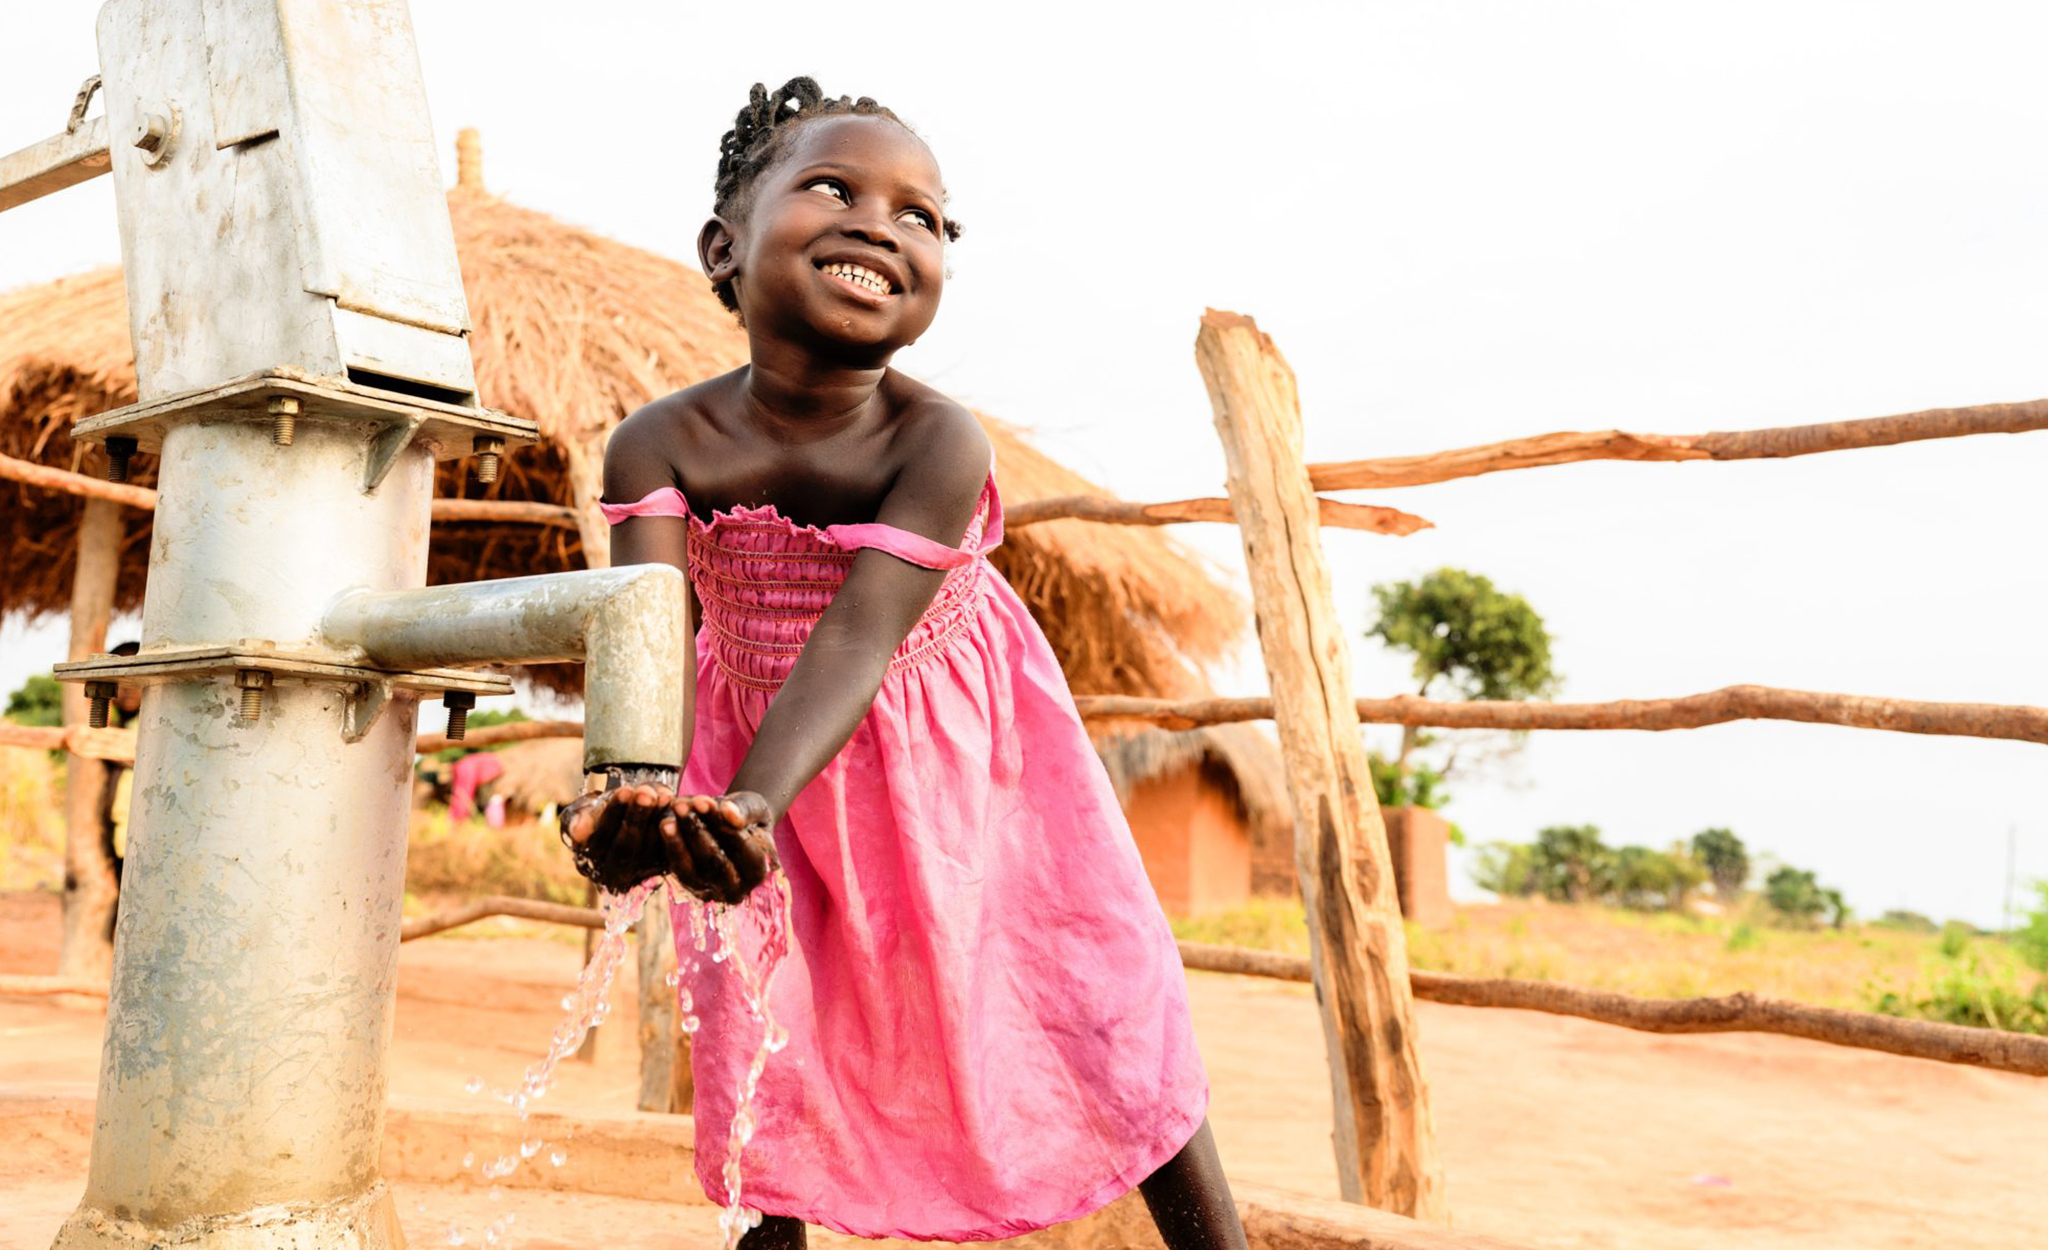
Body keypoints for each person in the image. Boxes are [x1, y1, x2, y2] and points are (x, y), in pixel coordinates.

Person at [560, 78, 1247, 1249]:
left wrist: (747, 800)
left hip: (963, 753)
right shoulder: (659, 442)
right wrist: (640, 794)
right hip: (753, 747)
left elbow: (858, 634)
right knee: (768, 1023)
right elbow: (649, 629)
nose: (880, 223)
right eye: (833, 187)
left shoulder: (934, 438)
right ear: (724, 246)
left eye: (921, 216)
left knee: (1092, 992)